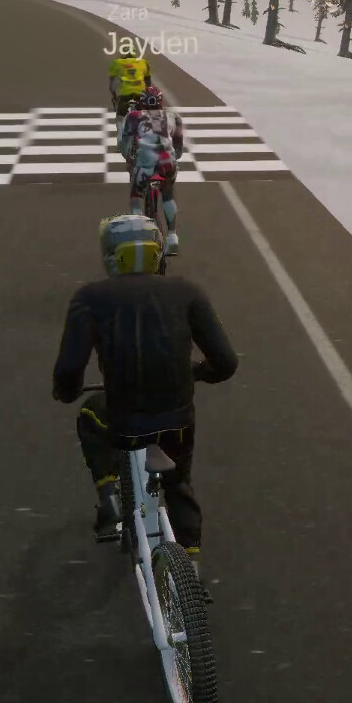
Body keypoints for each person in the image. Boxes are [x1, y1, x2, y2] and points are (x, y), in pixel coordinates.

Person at [52, 216, 236, 578]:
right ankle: (190, 565)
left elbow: (70, 368)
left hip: (124, 422)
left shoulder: (90, 298)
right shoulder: (188, 292)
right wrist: (197, 372)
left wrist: (67, 392)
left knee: (90, 415)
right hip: (177, 422)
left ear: (111, 256)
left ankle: (108, 497)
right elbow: (226, 362)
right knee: (178, 482)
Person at [117, 86, 185, 256]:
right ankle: (172, 236)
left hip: (145, 163)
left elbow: (124, 144)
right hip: (167, 163)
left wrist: (129, 158)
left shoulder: (133, 117)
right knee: (168, 194)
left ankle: (138, 231)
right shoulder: (173, 117)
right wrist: (175, 157)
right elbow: (179, 147)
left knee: (136, 194)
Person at [107, 41, 151, 119]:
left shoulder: (117, 63)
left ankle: (121, 125)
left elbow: (112, 85)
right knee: (145, 116)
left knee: (120, 117)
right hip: (141, 93)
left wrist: (114, 96)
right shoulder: (143, 62)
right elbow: (148, 82)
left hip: (125, 94)